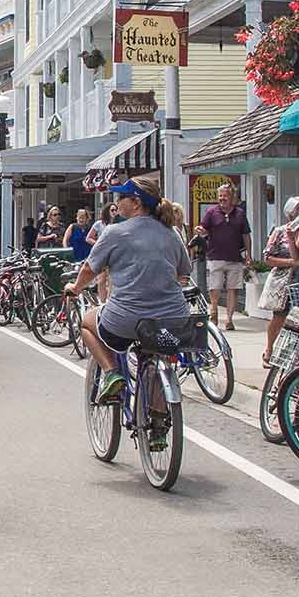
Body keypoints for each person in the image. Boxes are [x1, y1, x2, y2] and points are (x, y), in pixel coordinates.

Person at [63, 178, 191, 451]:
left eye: (122, 197)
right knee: (157, 356)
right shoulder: (171, 233)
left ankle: (111, 374)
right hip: (174, 318)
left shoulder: (115, 233)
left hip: (126, 318)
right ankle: (157, 426)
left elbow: (90, 269)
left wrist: (75, 287)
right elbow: (184, 272)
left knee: (87, 323)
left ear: (135, 203)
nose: (116, 202)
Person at [195, 181, 251, 332]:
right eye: (220, 196)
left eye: (225, 196)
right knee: (215, 287)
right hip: (215, 256)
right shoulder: (212, 212)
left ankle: (229, 320)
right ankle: (213, 310)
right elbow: (204, 230)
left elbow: (246, 235)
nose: (222, 198)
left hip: (234, 258)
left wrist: (249, 255)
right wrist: (201, 230)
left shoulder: (240, 214)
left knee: (233, 289)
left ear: (232, 196)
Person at [257, 196, 299, 367]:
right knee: (279, 317)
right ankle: (269, 351)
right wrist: (290, 263)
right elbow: (268, 257)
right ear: (292, 213)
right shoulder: (280, 231)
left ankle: (296, 357)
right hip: (285, 281)